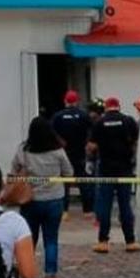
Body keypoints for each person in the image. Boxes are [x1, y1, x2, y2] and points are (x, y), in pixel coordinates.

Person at [12, 116, 74, 278]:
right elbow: (69, 172)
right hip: (54, 200)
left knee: (28, 240)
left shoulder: (23, 150)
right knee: (51, 240)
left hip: (30, 201)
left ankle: (26, 276)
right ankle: (51, 276)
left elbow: (13, 171)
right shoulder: (57, 151)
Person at [88, 97, 140, 254]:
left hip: (106, 170)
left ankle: (103, 241)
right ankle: (130, 241)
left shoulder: (99, 123)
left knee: (105, 206)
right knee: (125, 205)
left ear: (106, 107)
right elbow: (136, 142)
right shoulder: (128, 121)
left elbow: (91, 146)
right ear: (119, 106)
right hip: (125, 169)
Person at [51, 90, 95, 218]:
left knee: (64, 183)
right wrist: (88, 143)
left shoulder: (58, 116)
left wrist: (59, 143)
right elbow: (93, 130)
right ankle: (88, 211)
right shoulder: (83, 115)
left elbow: (50, 132)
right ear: (77, 101)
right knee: (83, 182)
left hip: (63, 154)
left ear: (65, 101)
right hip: (80, 153)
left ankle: (64, 211)